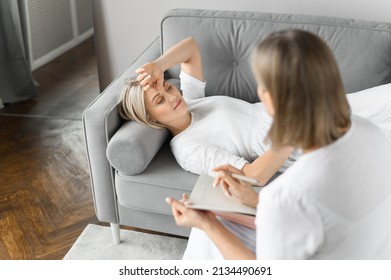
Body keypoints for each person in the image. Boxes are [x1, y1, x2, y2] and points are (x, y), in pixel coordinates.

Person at [166, 29, 391, 259]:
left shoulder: (286, 196)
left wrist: (207, 224)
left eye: (262, 87)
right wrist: (255, 199)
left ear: (270, 99)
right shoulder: (370, 133)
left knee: (205, 237)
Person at [119, 37, 299, 191]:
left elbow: (190, 48)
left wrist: (159, 65)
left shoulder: (190, 102)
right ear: (151, 118)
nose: (172, 97)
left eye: (167, 87)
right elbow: (253, 176)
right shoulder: (189, 149)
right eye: (160, 100)